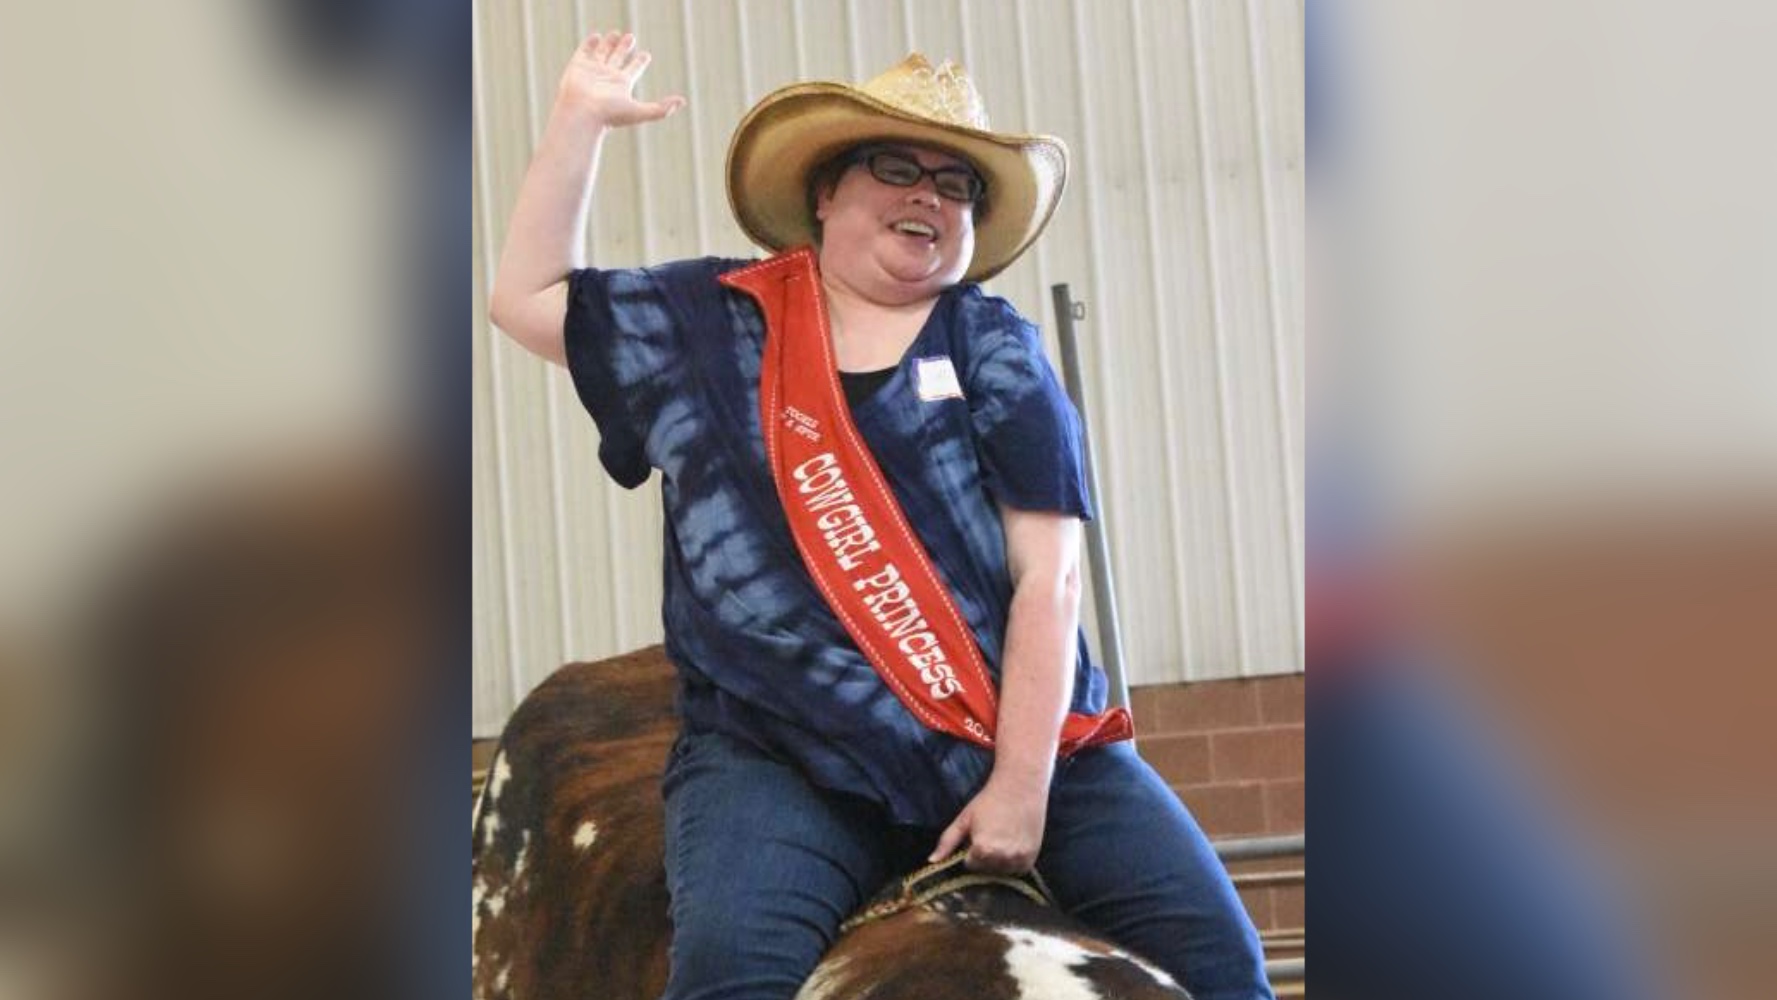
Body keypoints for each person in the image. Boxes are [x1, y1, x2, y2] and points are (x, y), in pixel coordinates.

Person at [489, 30, 1272, 1000]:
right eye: (896, 169)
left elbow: (1050, 578)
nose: (927, 197)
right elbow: (525, 298)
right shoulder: (710, 321)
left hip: (1020, 741)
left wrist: (1021, 786)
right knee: (730, 977)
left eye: (956, 186)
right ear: (825, 192)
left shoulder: (997, 349)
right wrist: (579, 123)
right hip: (779, 755)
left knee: (1228, 969)